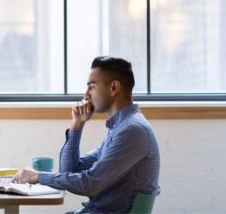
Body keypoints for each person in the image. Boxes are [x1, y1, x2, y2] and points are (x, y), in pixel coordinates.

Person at [13, 56, 160, 213]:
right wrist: (76, 126)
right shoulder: (120, 128)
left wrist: (37, 177)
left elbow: (90, 184)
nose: (86, 95)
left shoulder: (132, 130)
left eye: (92, 87)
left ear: (113, 88)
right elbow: (68, 172)